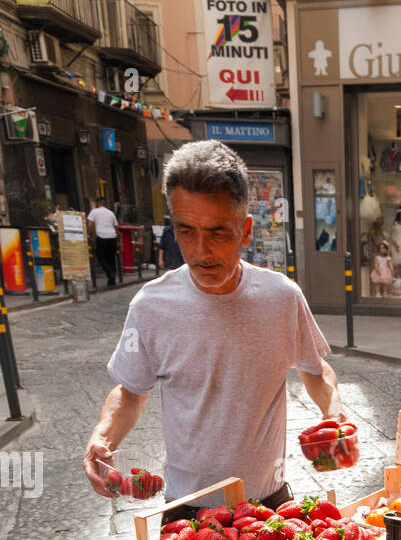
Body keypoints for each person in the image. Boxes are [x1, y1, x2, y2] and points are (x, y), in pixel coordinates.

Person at [83, 140, 346, 514]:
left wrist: (334, 412)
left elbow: (316, 371)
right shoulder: (150, 306)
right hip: (186, 510)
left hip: (269, 506)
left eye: (218, 232)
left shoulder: (282, 298)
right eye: (186, 231)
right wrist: (102, 438)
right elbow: (130, 392)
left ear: (246, 230)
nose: (201, 251)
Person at [87, 200, 119, 287]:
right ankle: (111, 279)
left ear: (98, 204)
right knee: (111, 258)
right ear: (106, 205)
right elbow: (116, 227)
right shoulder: (111, 213)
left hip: (102, 237)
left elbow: (90, 225)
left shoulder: (94, 211)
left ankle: (111, 273)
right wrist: (118, 238)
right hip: (112, 237)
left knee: (102, 258)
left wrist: (90, 235)